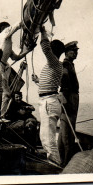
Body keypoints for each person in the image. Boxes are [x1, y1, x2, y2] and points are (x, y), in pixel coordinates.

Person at [32, 26, 65, 166]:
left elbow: (45, 48)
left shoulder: (54, 62)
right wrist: (38, 81)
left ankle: (56, 166)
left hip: (49, 102)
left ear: (53, 51)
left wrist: (42, 32)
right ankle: (54, 163)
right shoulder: (55, 65)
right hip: (49, 101)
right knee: (46, 137)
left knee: (47, 138)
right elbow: (49, 85)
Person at [0, 21, 33, 116]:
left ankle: (1, 114)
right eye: (8, 27)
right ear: (3, 28)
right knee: (6, 94)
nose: (9, 28)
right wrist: (24, 22)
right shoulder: (4, 33)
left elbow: (15, 57)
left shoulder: (6, 42)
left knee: (6, 94)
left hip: (3, 66)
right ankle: (1, 116)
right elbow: (16, 26)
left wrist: (27, 50)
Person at [58, 41, 80, 167]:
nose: (76, 53)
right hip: (69, 97)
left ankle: (62, 160)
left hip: (70, 96)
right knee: (68, 132)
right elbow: (64, 81)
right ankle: (67, 162)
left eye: (76, 51)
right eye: (74, 51)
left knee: (63, 131)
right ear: (67, 52)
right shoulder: (66, 64)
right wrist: (66, 100)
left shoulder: (69, 64)